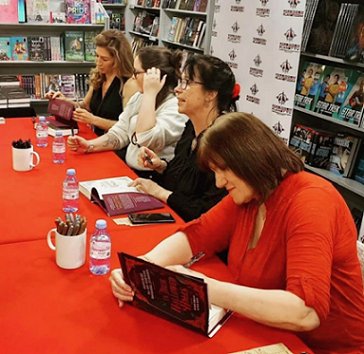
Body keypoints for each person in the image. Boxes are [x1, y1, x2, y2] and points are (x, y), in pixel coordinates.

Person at [110, 112, 364, 353]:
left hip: (327, 348)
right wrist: (140, 267)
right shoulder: (252, 192)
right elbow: (197, 234)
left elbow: (306, 312)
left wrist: (202, 287)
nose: (219, 183)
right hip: (270, 333)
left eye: (222, 171)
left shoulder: (311, 201)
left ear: (248, 160)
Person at [130, 54, 239, 221]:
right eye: (181, 82)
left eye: (187, 83)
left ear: (210, 94)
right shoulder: (190, 127)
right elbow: (185, 178)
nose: (177, 89)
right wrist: (161, 166)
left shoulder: (223, 142)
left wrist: (160, 192)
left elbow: (206, 211)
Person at [67, 46, 188, 172]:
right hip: (129, 169)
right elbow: (120, 131)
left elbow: (145, 138)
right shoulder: (139, 97)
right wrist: (90, 145)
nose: (133, 77)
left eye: (136, 72)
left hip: (155, 177)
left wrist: (150, 94)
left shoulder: (175, 107)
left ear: (154, 76)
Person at [46, 29, 138, 136]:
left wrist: (93, 120)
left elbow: (127, 128)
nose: (98, 62)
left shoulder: (129, 84)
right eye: (97, 56)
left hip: (116, 145)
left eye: (104, 59)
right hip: (96, 138)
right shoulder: (99, 76)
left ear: (118, 60)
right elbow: (85, 106)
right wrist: (64, 100)